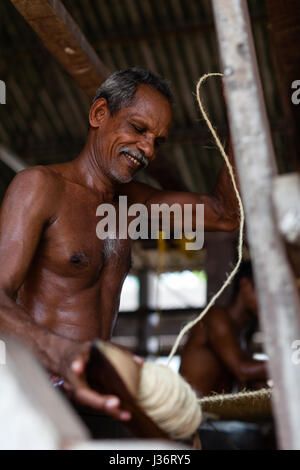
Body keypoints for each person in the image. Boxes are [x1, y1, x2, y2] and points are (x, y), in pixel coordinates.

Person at [0, 68, 239, 424]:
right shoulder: (39, 186)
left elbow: (224, 215)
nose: (147, 149)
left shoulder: (131, 205)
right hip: (35, 393)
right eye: (139, 129)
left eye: (158, 141)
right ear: (99, 114)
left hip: (92, 394)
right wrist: (60, 352)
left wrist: (239, 115)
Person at [180, 261, 268, 396]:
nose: (268, 300)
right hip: (191, 412)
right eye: (264, 292)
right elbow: (242, 370)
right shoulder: (217, 317)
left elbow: (256, 382)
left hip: (215, 413)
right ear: (245, 285)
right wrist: (288, 363)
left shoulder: (242, 333)